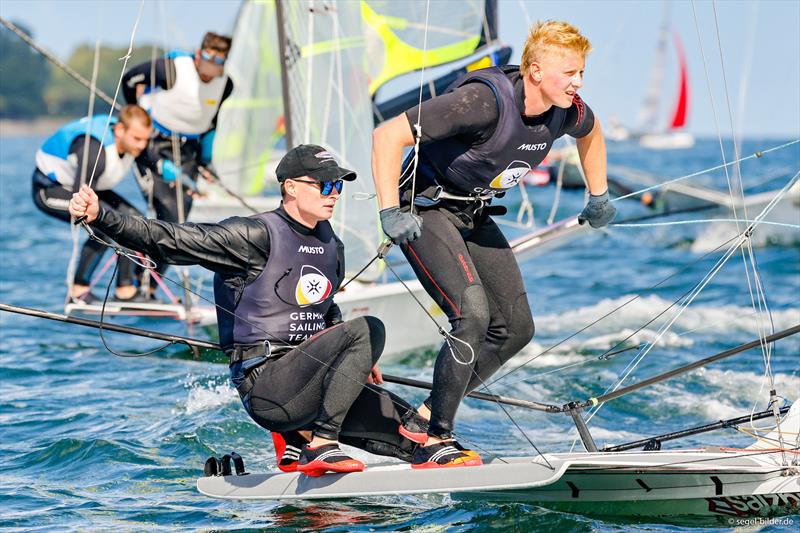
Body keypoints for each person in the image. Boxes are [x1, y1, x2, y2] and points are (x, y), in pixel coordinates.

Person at [69, 144, 420, 477]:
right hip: (267, 385)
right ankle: (319, 444)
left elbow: (325, 309)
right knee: (368, 327)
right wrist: (103, 217)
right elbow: (173, 238)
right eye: (325, 184)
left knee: (419, 433)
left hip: (315, 381)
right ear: (292, 188)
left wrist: (355, 358)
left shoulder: (333, 245)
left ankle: (304, 442)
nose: (334, 194)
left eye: (338, 186)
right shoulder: (253, 235)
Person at [371, 20, 617, 468]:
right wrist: (390, 211)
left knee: (516, 328)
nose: (578, 83)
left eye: (582, 73)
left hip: (472, 211)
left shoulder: (567, 110)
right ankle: (435, 441)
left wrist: (597, 194)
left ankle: (424, 417)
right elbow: (388, 135)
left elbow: (592, 133)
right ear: (537, 71)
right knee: (472, 317)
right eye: (570, 73)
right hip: (425, 209)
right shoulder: (482, 102)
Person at [32, 105, 153, 303]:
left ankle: (125, 290)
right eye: (137, 139)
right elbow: (81, 197)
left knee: (134, 221)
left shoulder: (131, 141)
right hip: (49, 190)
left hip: (89, 186)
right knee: (102, 225)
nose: (142, 145)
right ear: (120, 130)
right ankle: (78, 290)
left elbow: (154, 159)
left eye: (146, 139)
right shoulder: (96, 152)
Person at [121, 31, 234, 225]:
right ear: (199, 55)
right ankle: (143, 248)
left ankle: (159, 252)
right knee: (168, 208)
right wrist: (136, 114)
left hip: (188, 151)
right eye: (205, 69)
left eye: (214, 71)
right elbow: (129, 79)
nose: (208, 76)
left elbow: (211, 121)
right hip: (154, 144)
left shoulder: (226, 85)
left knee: (180, 217)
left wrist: (205, 159)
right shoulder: (171, 69)